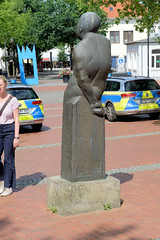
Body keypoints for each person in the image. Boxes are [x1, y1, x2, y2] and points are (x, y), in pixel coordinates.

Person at [0, 75, 19, 196]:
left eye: (0, 85)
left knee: (8, 159)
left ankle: (8, 186)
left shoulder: (12, 100)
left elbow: (17, 120)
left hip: (9, 130)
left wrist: (16, 137)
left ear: (5, 85)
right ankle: (2, 179)